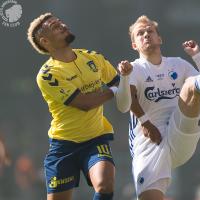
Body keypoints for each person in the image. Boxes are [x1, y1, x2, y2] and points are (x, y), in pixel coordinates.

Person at [127, 15, 200, 200]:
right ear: (134, 44)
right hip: (150, 145)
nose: (146, 35)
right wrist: (145, 122)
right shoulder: (132, 69)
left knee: (191, 86)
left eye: (150, 31)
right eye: (140, 34)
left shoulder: (178, 64)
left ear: (160, 38)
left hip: (180, 130)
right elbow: (127, 100)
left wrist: (197, 57)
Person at [27, 13, 132, 200]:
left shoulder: (94, 58)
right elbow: (84, 103)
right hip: (63, 146)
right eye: (55, 27)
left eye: (60, 22)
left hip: (95, 139)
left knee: (105, 184)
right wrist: (115, 91)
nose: (62, 25)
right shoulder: (47, 74)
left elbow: (121, 84)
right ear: (45, 41)